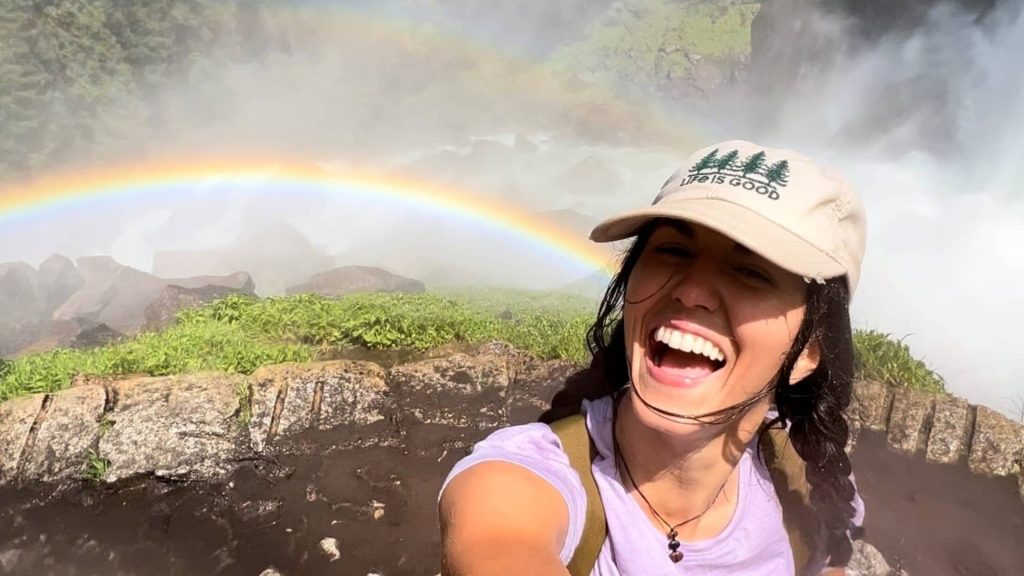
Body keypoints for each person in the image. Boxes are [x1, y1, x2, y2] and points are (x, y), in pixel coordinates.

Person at [438, 140, 867, 575]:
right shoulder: (517, 478)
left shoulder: (807, 477)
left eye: (750, 272)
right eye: (673, 251)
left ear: (809, 351)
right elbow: (497, 545)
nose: (691, 291)